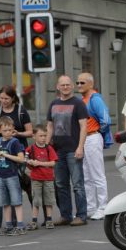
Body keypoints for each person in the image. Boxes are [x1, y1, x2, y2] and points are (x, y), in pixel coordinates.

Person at [0, 86, 32, 230]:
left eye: (6, 99)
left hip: (17, 153)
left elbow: (30, 132)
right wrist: (0, 130)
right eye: (1, 98)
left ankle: (15, 221)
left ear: (13, 98)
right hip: (1, 154)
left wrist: (17, 133)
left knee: (14, 187)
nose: (3, 101)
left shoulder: (21, 111)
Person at [46, 75, 89, 226]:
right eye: (62, 85)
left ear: (72, 87)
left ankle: (82, 215)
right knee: (60, 184)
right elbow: (50, 126)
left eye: (68, 85)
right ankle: (65, 215)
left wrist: (80, 147)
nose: (65, 87)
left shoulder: (78, 104)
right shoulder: (53, 103)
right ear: (57, 87)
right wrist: (46, 146)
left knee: (77, 184)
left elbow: (84, 126)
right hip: (57, 150)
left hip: (73, 149)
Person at [76, 72, 110, 220]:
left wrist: (97, 133)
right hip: (85, 139)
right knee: (86, 176)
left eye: (82, 83)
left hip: (92, 137)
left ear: (90, 84)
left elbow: (106, 120)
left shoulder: (95, 99)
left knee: (97, 175)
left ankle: (103, 207)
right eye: (77, 83)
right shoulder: (83, 99)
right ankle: (90, 207)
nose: (79, 85)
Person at [0, 116, 27, 236]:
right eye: (5, 130)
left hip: (12, 175)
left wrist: (6, 155)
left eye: (10, 130)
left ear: (13, 129)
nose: (8, 133)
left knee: (16, 201)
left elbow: (21, 159)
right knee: (4, 202)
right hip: (0, 175)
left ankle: (20, 226)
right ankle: (8, 225)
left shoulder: (15, 142)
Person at [25, 126, 58, 230]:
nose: (43, 138)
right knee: (36, 200)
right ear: (34, 136)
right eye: (41, 136)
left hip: (48, 178)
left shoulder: (49, 148)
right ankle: (34, 221)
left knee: (49, 200)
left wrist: (39, 163)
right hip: (36, 179)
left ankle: (49, 220)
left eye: (45, 135)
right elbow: (25, 159)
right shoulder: (31, 149)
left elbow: (53, 162)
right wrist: (29, 162)